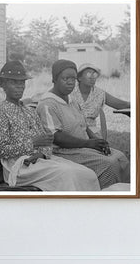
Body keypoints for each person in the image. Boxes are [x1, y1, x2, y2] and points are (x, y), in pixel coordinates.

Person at [0, 61, 100, 191]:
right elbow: (2, 150)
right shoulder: (0, 111)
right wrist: (32, 143)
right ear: (2, 84)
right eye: (14, 82)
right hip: (18, 167)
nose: (20, 86)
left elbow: (47, 141)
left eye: (22, 82)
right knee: (67, 174)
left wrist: (42, 154)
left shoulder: (29, 111)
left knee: (87, 174)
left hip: (39, 160)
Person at [37, 59, 130, 190]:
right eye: (65, 78)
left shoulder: (72, 100)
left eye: (73, 78)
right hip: (62, 152)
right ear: (54, 79)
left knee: (120, 158)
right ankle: (103, 198)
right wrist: (88, 143)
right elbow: (56, 137)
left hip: (82, 147)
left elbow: (84, 126)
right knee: (109, 164)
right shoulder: (48, 104)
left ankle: (123, 196)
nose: (70, 82)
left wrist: (96, 140)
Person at [71, 63, 130, 137]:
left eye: (95, 74)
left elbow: (121, 104)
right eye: (89, 74)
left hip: (93, 132)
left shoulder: (99, 93)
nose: (92, 77)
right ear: (79, 78)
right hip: (72, 131)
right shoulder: (70, 91)